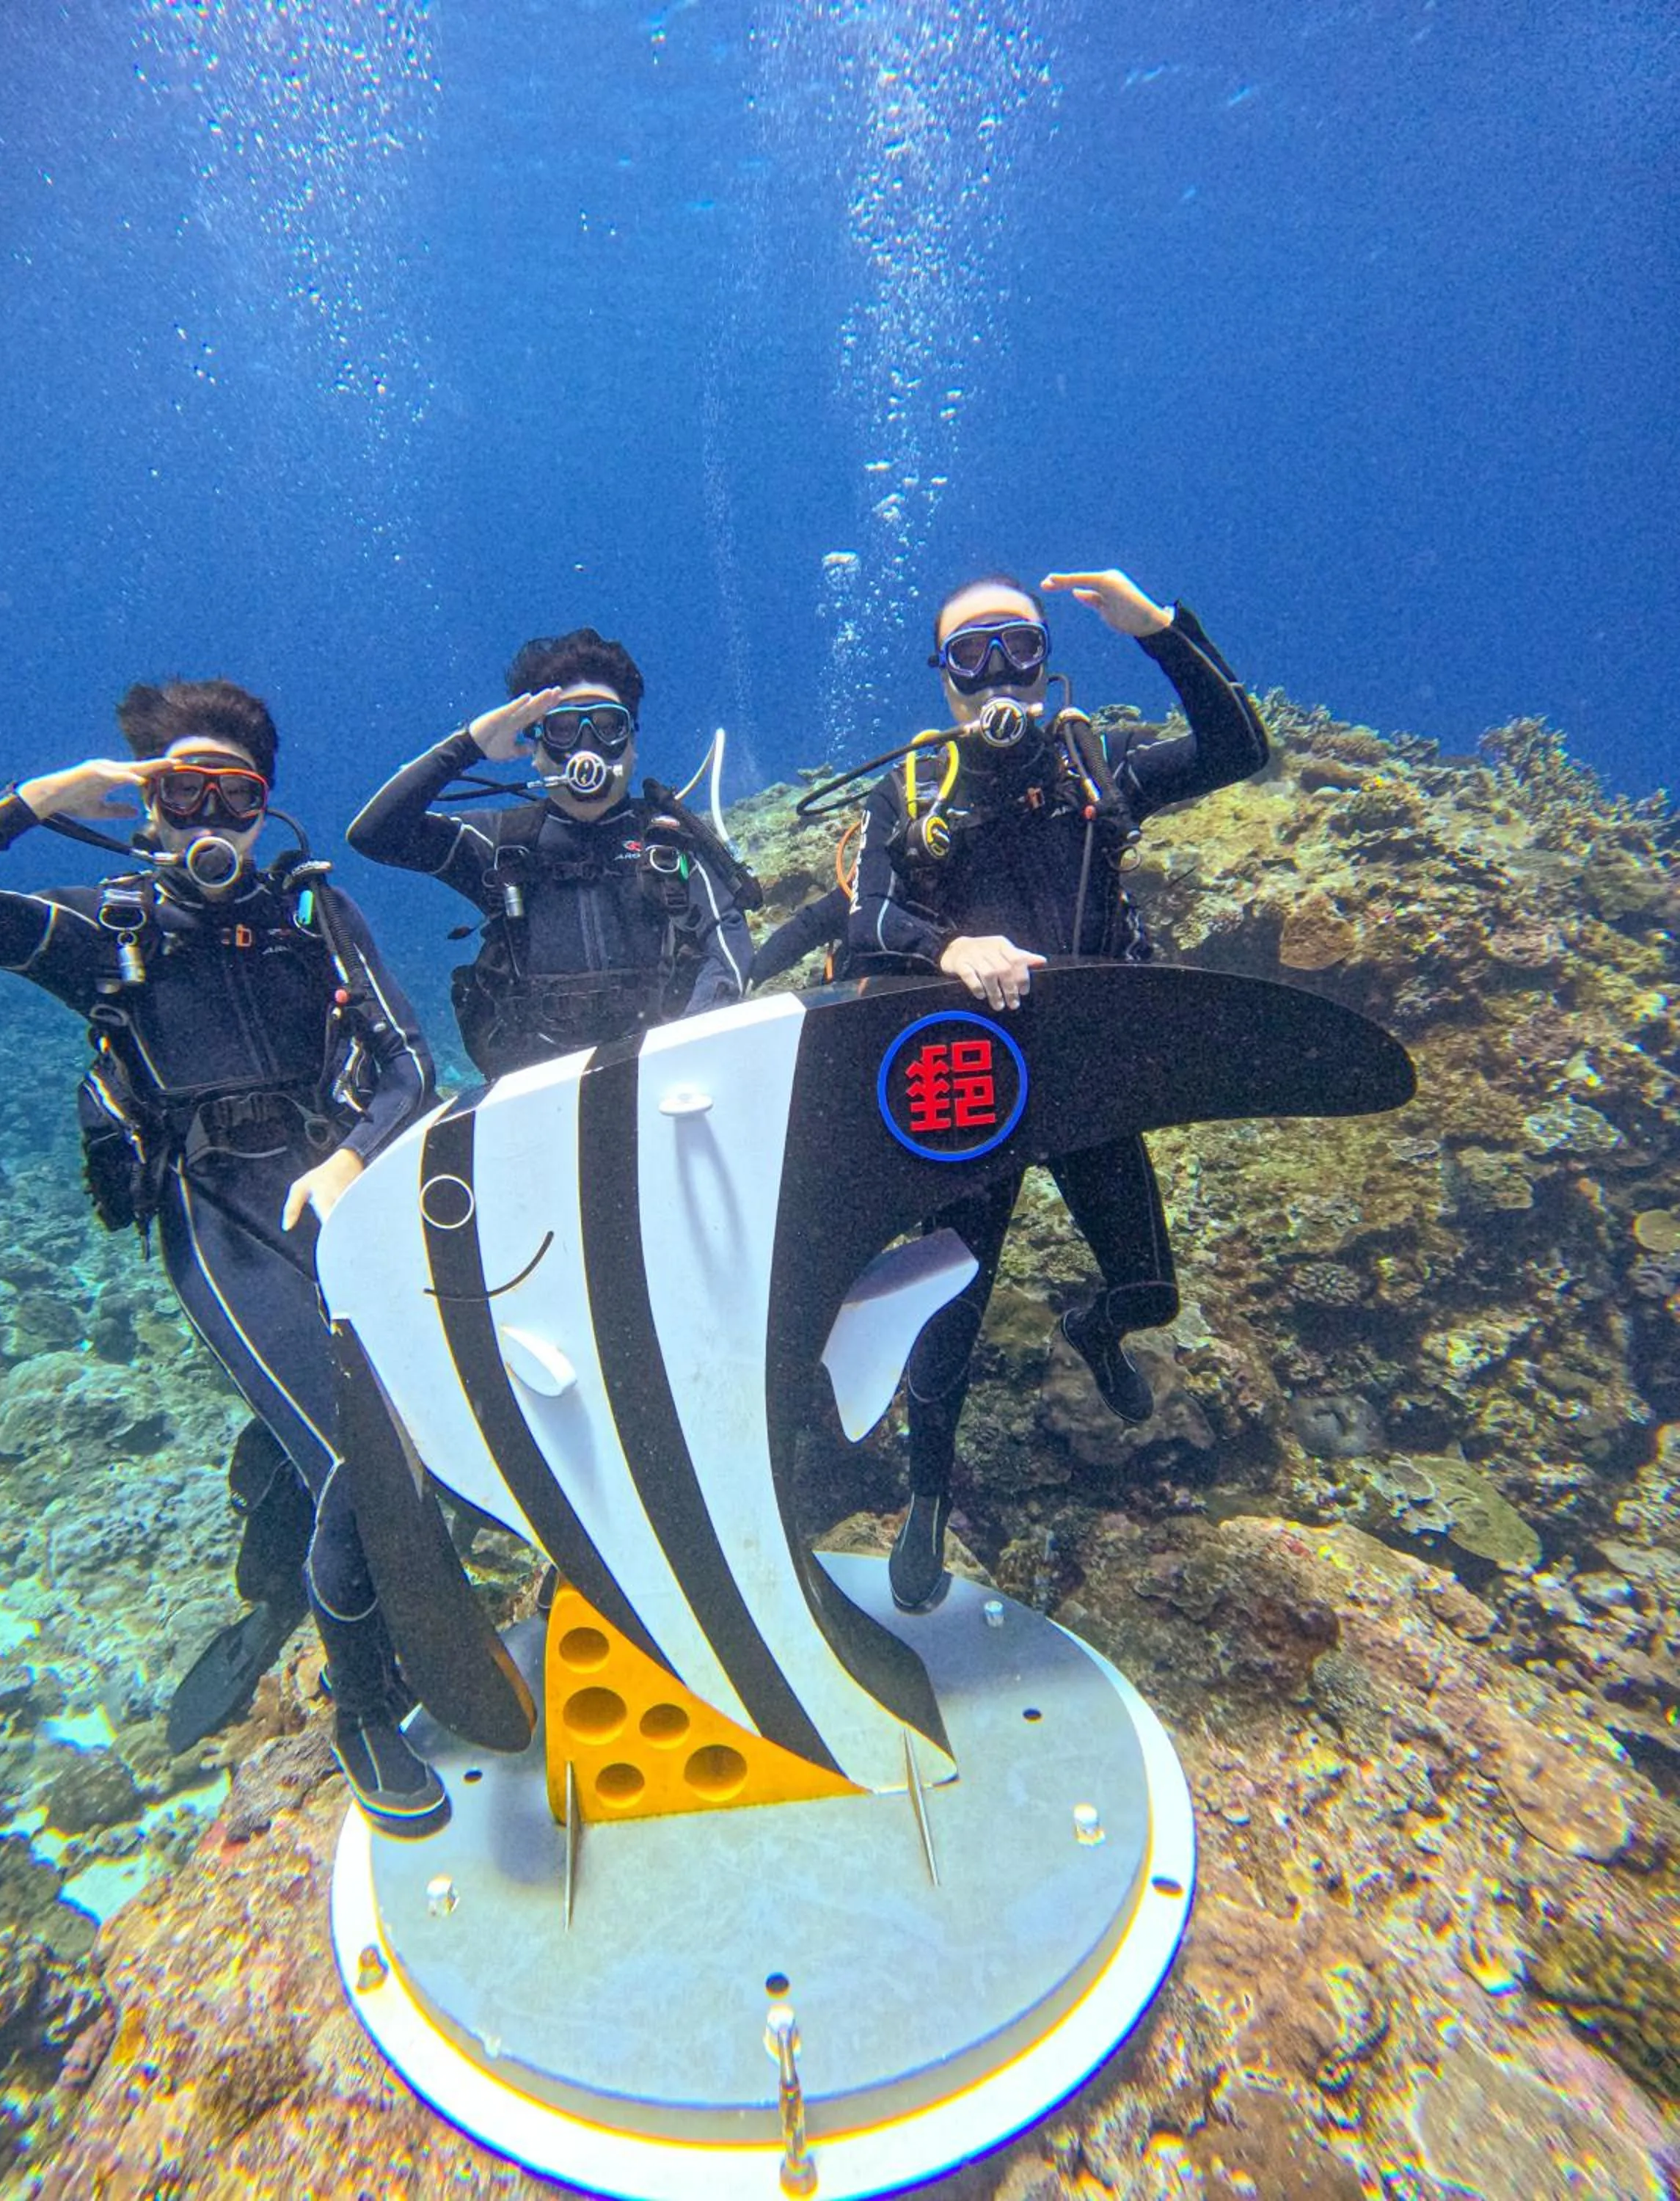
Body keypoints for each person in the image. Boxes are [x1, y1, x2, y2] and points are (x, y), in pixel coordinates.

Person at [0, 679, 451, 1836]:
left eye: (237, 795)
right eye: (184, 792)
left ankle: (276, 1489)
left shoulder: (314, 913)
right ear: (145, 803)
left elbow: (408, 1066)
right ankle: (363, 1708)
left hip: (341, 1200)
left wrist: (352, 1159)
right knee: (361, 1462)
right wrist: (32, 804)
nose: (212, 819)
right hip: (212, 1212)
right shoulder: (101, 929)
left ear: (265, 807)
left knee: (434, 1432)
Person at [842, 569, 1270, 1611]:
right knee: (954, 1304)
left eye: (1018, 647)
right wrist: (949, 947)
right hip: (968, 1083)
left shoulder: (1094, 762)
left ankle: (1096, 1328)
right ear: (944, 677)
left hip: (1086, 1072)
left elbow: (1239, 750)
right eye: (970, 654)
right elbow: (866, 925)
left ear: (1046, 660)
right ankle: (925, 1497)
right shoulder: (913, 790)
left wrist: (1159, 631)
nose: (997, 672)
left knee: (1152, 1289)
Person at [348, 627, 753, 1077]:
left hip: (669, 1076)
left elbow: (728, 947)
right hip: (539, 1091)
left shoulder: (671, 839)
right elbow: (375, 834)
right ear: (537, 751)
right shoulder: (499, 843)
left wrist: (680, 1052)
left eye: (608, 727)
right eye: (563, 730)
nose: (587, 749)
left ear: (632, 746)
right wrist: (469, 745)